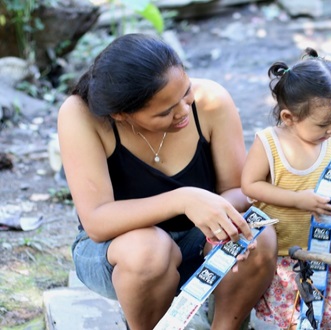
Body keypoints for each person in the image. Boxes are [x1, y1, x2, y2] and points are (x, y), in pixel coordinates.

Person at [57, 33, 277, 330]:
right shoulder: (81, 115)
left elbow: (237, 191)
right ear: (121, 115)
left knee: (258, 234)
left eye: (185, 93)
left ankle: (227, 325)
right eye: (165, 112)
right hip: (120, 255)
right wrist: (184, 199)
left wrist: (219, 216)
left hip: (201, 240)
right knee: (149, 250)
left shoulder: (211, 100)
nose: (184, 111)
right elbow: (97, 221)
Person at [241, 48, 331, 329]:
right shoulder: (269, 143)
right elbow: (250, 186)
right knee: (295, 321)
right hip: (285, 255)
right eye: (324, 124)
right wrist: (297, 200)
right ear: (289, 117)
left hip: (327, 251)